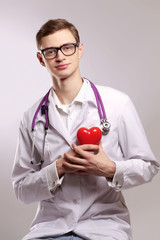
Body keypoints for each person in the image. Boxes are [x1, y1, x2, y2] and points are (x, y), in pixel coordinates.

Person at [12, 19, 159, 240]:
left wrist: (109, 168)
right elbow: (21, 190)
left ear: (80, 50)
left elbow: (148, 166)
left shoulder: (117, 103)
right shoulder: (31, 118)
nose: (60, 56)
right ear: (40, 59)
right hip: (50, 229)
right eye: (50, 51)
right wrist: (58, 168)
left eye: (67, 48)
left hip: (105, 228)